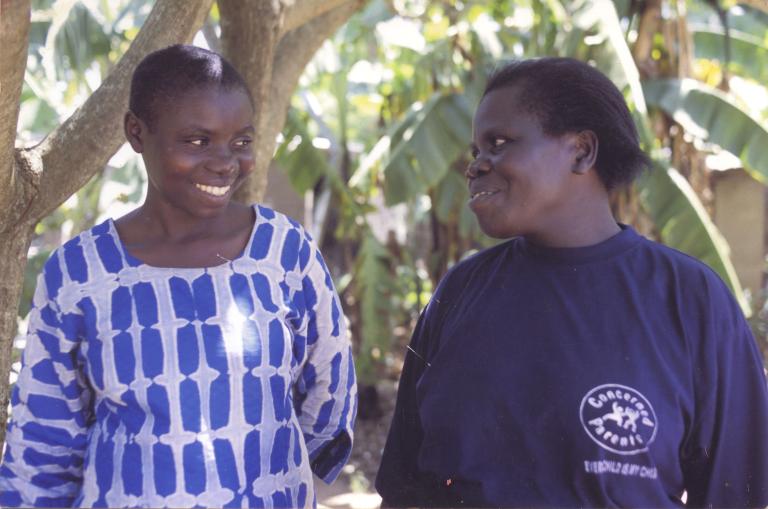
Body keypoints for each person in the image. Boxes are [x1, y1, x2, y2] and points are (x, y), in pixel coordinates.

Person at [375, 57, 768, 508]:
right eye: (476, 151)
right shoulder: (460, 291)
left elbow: (736, 492)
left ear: (581, 151)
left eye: (499, 143)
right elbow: (405, 484)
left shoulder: (690, 300)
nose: (476, 166)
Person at [0, 44, 356, 508]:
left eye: (241, 142)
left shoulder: (285, 253)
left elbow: (330, 393)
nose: (225, 161)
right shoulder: (80, 273)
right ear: (137, 133)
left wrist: (267, 476)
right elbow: (44, 447)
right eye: (196, 140)